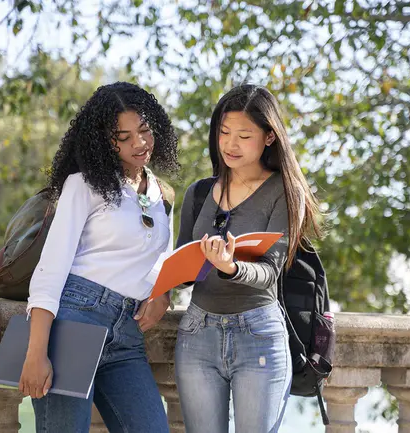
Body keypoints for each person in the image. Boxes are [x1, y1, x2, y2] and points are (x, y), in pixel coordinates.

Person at [18, 81, 179, 433]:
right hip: (75, 320)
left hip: (128, 333)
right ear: (106, 140)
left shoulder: (161, 195)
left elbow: (161, 264)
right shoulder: (84, 184)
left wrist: (163, 294)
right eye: (124, 136)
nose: (139, 143)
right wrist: (36, 352)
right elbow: (51, 269)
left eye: (144, 130)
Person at [174, 84, 322, 433]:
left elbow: (271, 271)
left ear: (269, 137)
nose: (230, 144)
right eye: (224, 133)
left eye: (244, 135)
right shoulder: (198, 193)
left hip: (259, 335)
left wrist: (230, 267)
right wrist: (168, 279)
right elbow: (181, 264)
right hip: (197, 333)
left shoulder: (285, 192)